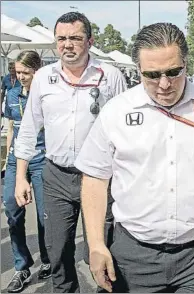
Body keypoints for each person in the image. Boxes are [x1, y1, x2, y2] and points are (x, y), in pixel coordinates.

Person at [74, 22, 194, 293]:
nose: (164, 84)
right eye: (152, 74)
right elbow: (95, 179)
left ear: (186, 63)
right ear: (138, 70)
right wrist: (97, 245)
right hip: (133, 257)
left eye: (173, 72)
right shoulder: (115, 112)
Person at [13, 12, 127, 292]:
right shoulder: (42, 78)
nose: (67, 44)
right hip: (56, 177)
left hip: (100, 178)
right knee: (59, 250)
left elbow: (126, 130)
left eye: (75, 38)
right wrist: (20, 176)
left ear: (89, 41)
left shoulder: (110, 76)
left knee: (100, 250)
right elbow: (29, 129)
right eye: (61, 38)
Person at [3, 51, 50, 293]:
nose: (21, 77)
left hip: (41, 159)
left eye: (26, 73)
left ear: (37, 71)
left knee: (44, 216)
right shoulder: (11, 94)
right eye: (18, 72)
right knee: (12, 210)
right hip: (15, 160)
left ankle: (47, 258)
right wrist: (7, 159)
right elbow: (11, 126)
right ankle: (21, 266)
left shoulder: (46, 96)